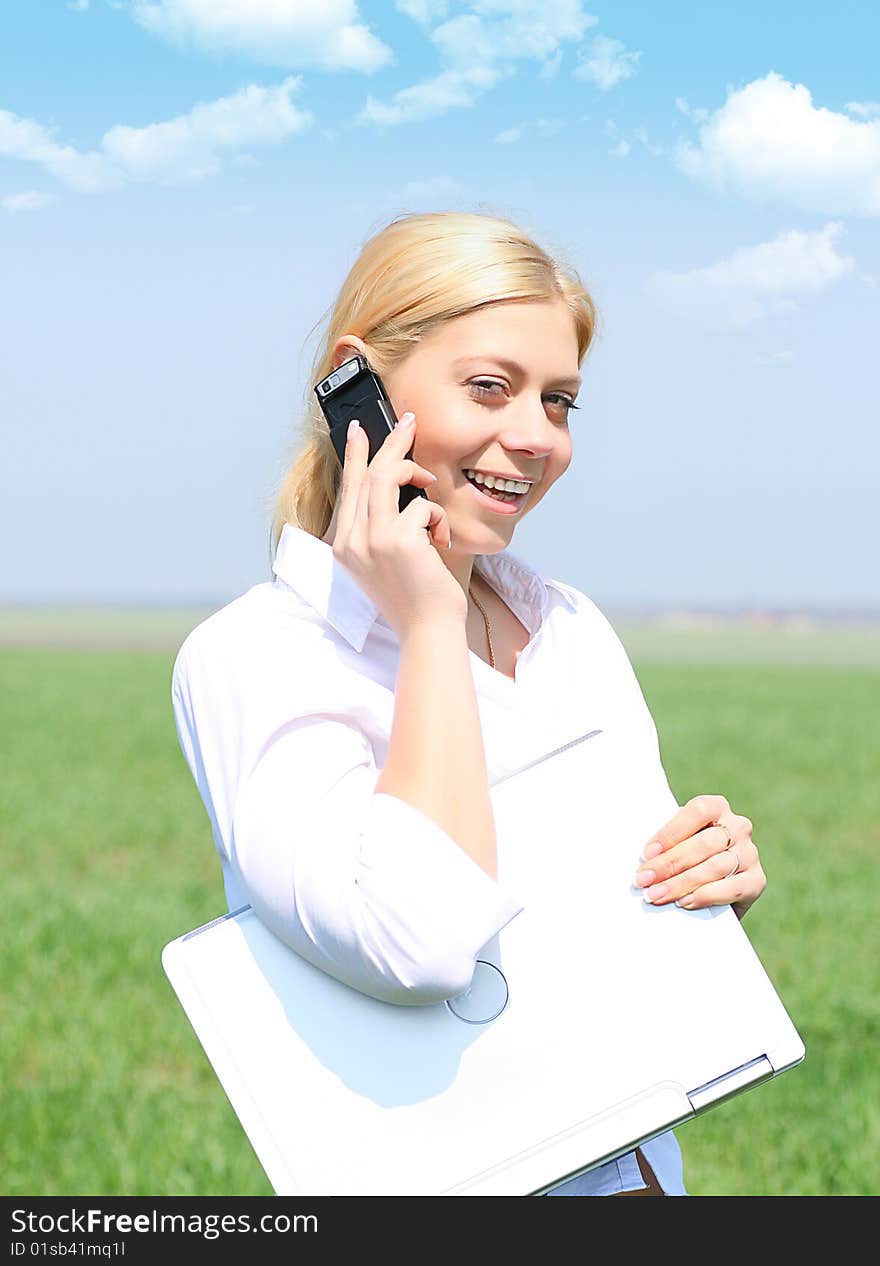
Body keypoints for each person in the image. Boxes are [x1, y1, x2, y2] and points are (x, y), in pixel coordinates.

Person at [171, 210, 767, 1197]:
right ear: (356, 386)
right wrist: (429, 627)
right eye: (490, 387)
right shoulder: (254, 657)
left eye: (562, 401)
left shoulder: (566, 625)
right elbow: (421, 944)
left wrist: (711, 890)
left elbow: (606, 937)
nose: (535, 439)